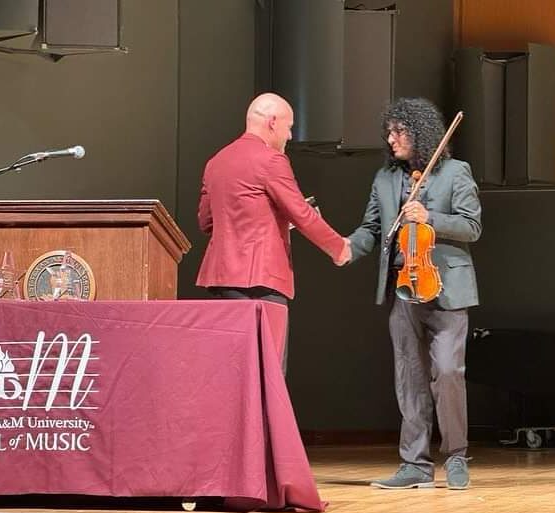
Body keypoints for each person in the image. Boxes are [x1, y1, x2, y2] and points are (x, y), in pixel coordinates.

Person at [346, 97, 482, 490]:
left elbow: (472, 227)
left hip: (446, 288)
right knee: (408, 376)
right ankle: (414, 465)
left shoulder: (456, 173)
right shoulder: (384, 180)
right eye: (389, 133)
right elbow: (372, 229)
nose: (391, 140)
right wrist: (346, 248)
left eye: (398, 132)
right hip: (403, 285)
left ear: (419, 132)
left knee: (448, 372)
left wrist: (430, 218)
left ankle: (456, 456)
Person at [196, 92, 351, 370]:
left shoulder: (216, 161)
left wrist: (273, 219)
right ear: (272, 122)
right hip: (262, 281)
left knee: (233, 371)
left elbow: (206, 222)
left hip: (222, 282)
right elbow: (302, 214)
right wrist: (339, 248)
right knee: (269, 372)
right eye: (289, 127)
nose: (290, 136)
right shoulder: (271, 160)